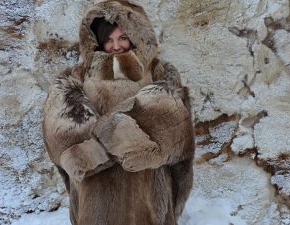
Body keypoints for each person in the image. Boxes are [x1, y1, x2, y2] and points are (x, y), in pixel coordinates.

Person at [42, 1, 195, 225]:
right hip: (96, 203)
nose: (116, 46)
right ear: (96, 41)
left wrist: (109, 141)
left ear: (136, 37)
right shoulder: (74, 78)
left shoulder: (161, 73)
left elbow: (178, 134)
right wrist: (97, 149)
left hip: (149, 202)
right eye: (108, 40)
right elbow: (61, 135)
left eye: (122, 38)